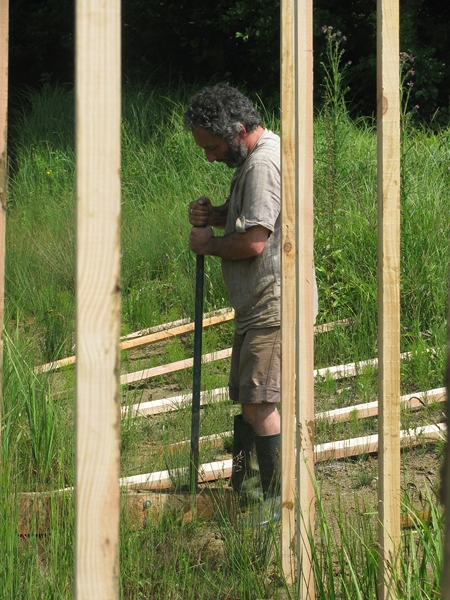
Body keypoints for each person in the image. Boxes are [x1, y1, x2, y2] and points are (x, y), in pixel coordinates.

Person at [184, 84, 283, 505]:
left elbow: (255, 241)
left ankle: (277, 502)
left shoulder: (263, 165)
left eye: (213, 146)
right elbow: (250, 217)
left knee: (260, 403)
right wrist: (216, 214)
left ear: (239, 130)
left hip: (272, 306)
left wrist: (209, 244)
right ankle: (248, 492)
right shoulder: (253, 162)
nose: (210, 157)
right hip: (255, 306)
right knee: (249, 398)